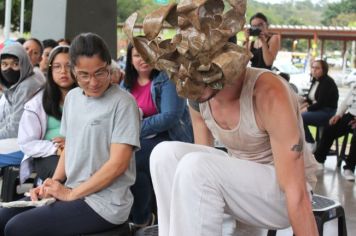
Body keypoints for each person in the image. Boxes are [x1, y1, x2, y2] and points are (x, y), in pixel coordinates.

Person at [123, 0, 319, 235]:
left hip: (283, 193)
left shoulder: (267, 92)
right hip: (241, 185)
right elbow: (199, 161)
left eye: (199, 75)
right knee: (164, 154)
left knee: (196, 166)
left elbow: (296, 192)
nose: (190, 83)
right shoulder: (197, 94)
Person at [0, 33, 141, 236]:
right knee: (3, 217)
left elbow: (118, 165)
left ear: (109, 66)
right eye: (84, 75)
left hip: (105, 202)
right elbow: (69, 147)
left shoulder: (123, 103)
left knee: (18, 228)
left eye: (100, 72)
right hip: (72, 190)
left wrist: (71, 193)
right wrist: (54, 183)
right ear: (74, 71)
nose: (93, 82)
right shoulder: (73, 98)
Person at [121, 44, 193, 227]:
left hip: (169, 136)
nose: (142, 59)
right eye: (137, 55)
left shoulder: (167, 78)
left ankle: (142, 219)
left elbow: (170, 116)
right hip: (138, 138)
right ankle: (139, 215)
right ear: (130, 58)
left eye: (147, 54)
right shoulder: (126, 83)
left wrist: (134, 128)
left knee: (133, 160)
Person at [18, 45, 77, 185]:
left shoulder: (87, 97)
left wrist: (72, 144)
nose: (63, 71)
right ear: (50, 70)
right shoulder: (37, 102)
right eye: (57, 66)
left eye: (68, 66)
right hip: (48, 154)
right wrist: (56, 148)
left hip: (80, 151)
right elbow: (26, 143)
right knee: (68, 175)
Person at [0, 42, 44, 166]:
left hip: (30, 143)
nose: (9, 69)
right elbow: (9, 120)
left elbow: (15, 128)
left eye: (15, 64)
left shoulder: (27, 85)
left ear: (24, 63)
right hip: (21, 138)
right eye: (4, 64)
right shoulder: (18, 84)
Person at [314, 83, 356, 181]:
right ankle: (319, 159)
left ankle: (349, 168)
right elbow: (345, 102)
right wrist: (338, 115)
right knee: (331, 127)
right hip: (351, 115)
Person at [300, 59, 338, 150]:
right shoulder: (315, 80)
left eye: (317, 68)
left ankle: (310, 142)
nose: (314, 70)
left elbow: (320, 103)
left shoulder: (327, 82)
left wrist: (306, 109)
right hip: (318, 109)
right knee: (295, 114)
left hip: (327, 112)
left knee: (300, 117)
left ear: (324, 70)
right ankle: (305, 142)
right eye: (313, 67)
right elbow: (310, 99)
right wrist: (300, 106)